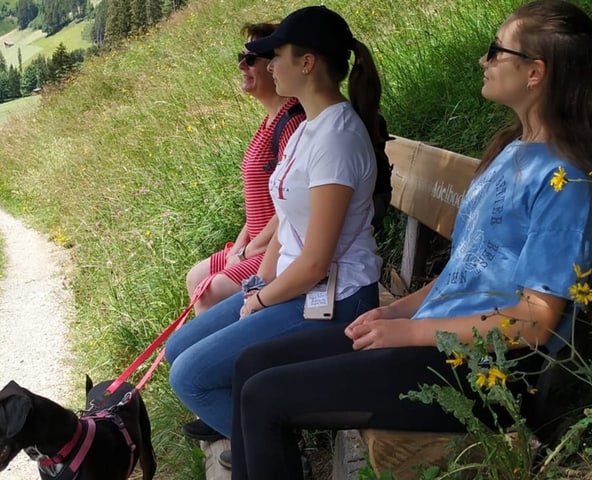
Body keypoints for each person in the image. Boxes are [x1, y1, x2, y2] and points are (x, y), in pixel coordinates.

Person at [228, 1, 592, 478]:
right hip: (431, 336)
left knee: (265, 396)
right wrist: (396, 310)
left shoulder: (564, 179)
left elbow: (536, 322)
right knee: (251, 364)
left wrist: (409, 331)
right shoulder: (511, 150)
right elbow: (464, 269)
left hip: (479, 370)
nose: (484, 61)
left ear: (535, 73)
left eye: (496, 51)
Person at [166, 5, 390, 458]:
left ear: (307, 63)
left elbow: (314, 263)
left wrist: (260, 301)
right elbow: (288, 224)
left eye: (278, 55)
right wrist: (258, 283)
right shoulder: (309, 128)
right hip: (298, 291)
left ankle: (275, 451)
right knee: (177, 350)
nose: (269, 66)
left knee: (188, 376)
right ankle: (260, 439)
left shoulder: (337, 139)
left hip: (336, 301)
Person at [186, 22, 305, 316]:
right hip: (255, 244)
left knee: (210, 292)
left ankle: (220, 354)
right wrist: (240, 247)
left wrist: (247, 252)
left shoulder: (292, 123)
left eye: (251, 58)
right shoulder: (269, 122)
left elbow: (290, 205)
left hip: (275, 249)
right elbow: (256, 205)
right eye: (241, 57)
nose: (242, 65)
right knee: (195, 277)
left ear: (274, 64)